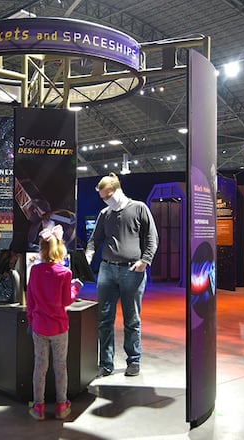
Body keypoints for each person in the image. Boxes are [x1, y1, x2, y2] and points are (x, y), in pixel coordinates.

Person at [86, 172, 158, 377]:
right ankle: (105, 363)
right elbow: (94, 239)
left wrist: (145, 261)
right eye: (102, 198)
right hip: (107, 270)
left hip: (132, 271)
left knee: (132, 319)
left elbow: (152, 237)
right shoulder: (105, 214)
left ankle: (133, 360)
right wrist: (88, 256)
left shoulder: (139, 208)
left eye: (107, 196)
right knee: (104, 318)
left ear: (117, 190)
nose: (105, 200)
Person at [26, 224, 83, 420]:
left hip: (39, 326)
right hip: (59, 327)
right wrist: (76, 288)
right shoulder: (65, 273)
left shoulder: (35, 271)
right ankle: (61, 406)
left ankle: (38, 407)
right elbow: (66, 300)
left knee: (39, 367)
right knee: (60, 367)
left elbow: (30, 300)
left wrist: (31, 320)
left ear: (41, 250)